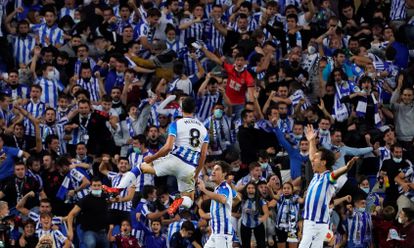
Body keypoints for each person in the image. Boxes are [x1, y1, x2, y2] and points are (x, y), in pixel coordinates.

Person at [116, 96, 209, 215]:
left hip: (174, 160)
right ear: (194, 109)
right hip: (189, 167)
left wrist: (152, 157)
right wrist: (196, 174)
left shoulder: (176, 123)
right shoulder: (203, 129)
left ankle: (117, 189)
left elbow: (168, 147)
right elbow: (203, 156)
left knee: (140, 168)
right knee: (189, 200)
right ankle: (179, 201)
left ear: (181, 109)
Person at [298, 125, 358, 248]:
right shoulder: (316, 175)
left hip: (316, 222)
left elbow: (336, 174)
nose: (312, 160)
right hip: (313, 222)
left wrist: (346, 168)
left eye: (316, 159)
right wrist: (311, 141)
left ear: (323, 162)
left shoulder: (327, 177)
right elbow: (312, 156)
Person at [197, 161, 241, 248]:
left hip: (222, 234)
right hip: (215, 233)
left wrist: (204, 189)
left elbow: (222, 199)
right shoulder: (219, 189)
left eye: (217, 169)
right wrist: (228, 208)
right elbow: (238, 198)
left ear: (224, 174)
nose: (213, 171)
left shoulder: (224, 187)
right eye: (213, 169)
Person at [66, 176, 110, 248]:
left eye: (98, 185)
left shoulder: (106, 198)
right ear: (90, 187)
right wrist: (70, 231)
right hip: (89, 231)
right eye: (94, 185)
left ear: (102, 187)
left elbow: (116, 199)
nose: (96, 187)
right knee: (91, 244)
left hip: (103, 232)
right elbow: (71, 214)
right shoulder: (85, 200)